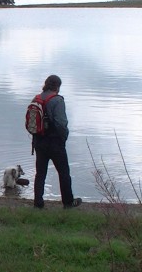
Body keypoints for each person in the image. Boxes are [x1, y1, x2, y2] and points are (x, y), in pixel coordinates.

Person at [32, 74, 82, 209]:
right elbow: (61, 123)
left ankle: (38, 203)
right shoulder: (57, 100)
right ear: (57, 86)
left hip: (39, 141)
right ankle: (68, 202)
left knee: (40, 173)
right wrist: (64, 137)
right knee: (64, 173)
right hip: (55, 143)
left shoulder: (37, 98)